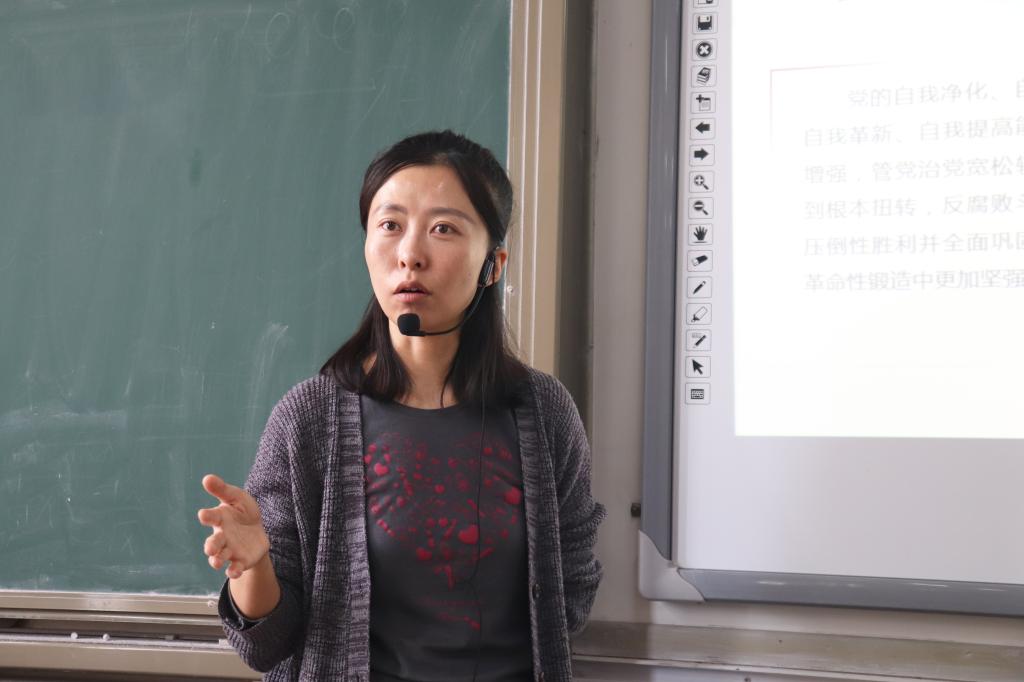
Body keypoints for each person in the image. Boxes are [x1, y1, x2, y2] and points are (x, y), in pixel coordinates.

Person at [197, 130, 605, 682]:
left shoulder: (543, 412)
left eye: (443, 229)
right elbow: (265, 646)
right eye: (390, 225)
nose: (410, 254)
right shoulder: (310, 419)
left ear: (493, 264)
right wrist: (254, 566)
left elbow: (571, 596)